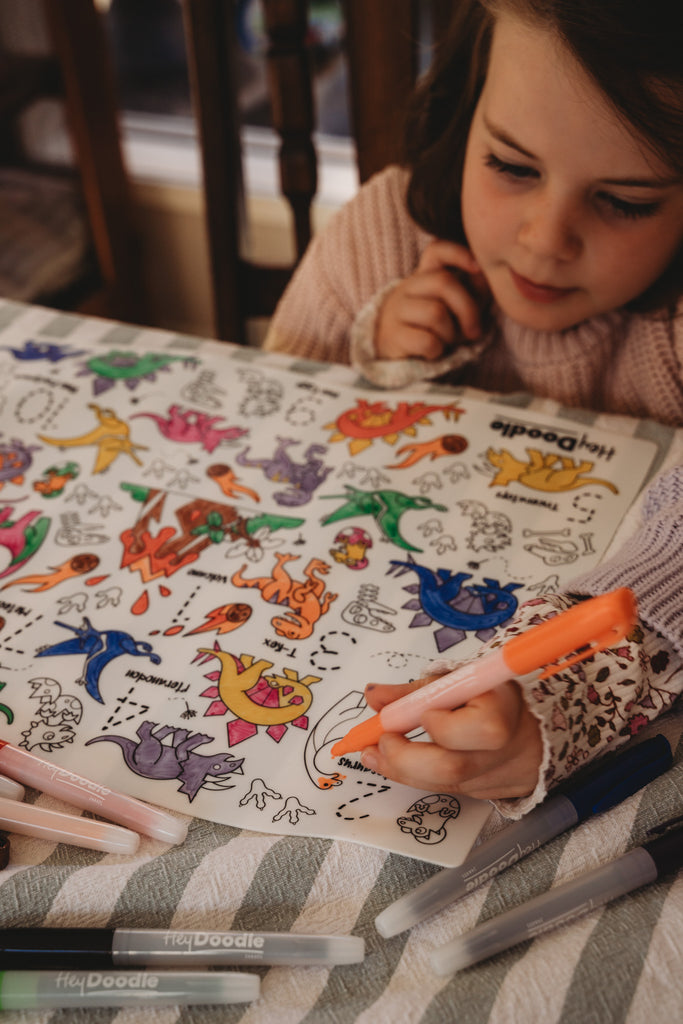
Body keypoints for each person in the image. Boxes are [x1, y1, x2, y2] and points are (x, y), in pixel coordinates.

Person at [263, 0, 683, 816]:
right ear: (463, 112)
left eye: (624, 201)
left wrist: (566, 698)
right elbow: (271, 413)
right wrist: (370, 351)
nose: (542, 238)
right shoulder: (381, 235)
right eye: (512, 167)